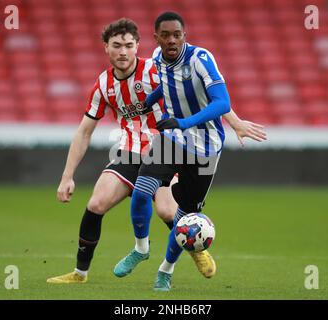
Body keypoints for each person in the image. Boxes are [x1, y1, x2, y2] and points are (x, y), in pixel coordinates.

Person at [46, 18, 224, 284]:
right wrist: (67, 175)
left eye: (129, 45)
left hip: (165, 150)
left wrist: (234, 121)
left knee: (167, 211)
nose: (123, 51)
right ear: (105, 47)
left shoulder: (156, 69)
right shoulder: (103, 85)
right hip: (128, 152)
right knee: (96, 203)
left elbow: (203, 94)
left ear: (137, 46)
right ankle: (80, 273)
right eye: (116, 45)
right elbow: (84, 131)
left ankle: (196, 248)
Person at [114, 12, 266, 291]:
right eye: (166, 35)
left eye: (177, 35)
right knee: (141, 191)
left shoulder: (201, 59)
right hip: (172, 140)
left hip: (206, 149)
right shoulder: (158, 59)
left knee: (186, 218)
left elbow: (222, 103)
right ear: (156, 37)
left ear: (184, 35)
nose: (172, 40)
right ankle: (141, 248)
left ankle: (165, 270)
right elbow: (166, 86)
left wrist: (184, 122)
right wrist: (147, 103)